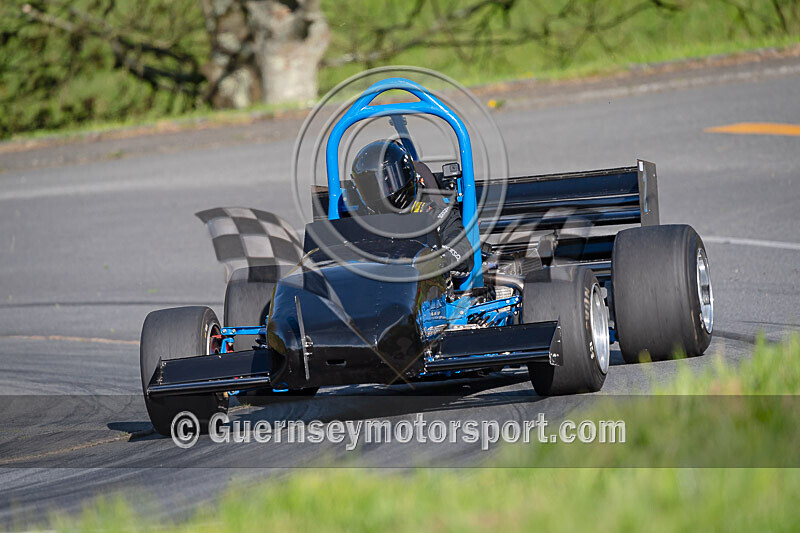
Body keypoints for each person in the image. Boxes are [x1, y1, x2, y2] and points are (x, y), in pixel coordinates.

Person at [350, 139, 474, 278]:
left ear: (405, 175)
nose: (382, 193)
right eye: (373, 188)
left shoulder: (437, 215)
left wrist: (432, 260)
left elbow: (463, 254)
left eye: (388, 184)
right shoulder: (362, 225)